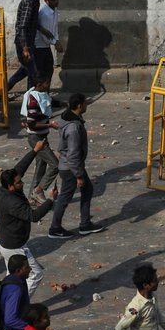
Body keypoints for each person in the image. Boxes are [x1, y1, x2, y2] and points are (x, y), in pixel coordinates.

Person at [48, 93, 105, 239]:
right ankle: (55, 228)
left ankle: (85, 224)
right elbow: (73, 155)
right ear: (79, 106)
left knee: (87, 190)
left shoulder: (67, 117)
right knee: (64, 198)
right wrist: (78, 175)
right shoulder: (73, 128)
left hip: (71, 165)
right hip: (71, 168)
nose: (86, 105)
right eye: (85, 103)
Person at [0, 168, 52, 289]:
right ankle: (19, 303)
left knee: (12, 277)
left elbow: (20, 167)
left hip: (7, 243)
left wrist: (35, 151)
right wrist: (50, 200)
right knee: (35, 274)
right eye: (19, 182)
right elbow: (34, 216)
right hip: (14, 248)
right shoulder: (14, 202)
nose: (22, 183)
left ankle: (6, 301)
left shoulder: (2, 190)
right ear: (10, 186)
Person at [15, 77, 60, 204]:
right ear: (40, 84)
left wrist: (66, 104)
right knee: (55, 165)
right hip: (36, 138)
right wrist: (49, 125)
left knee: (41, 166)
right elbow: (32, 125)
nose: (49, 85)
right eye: (47, 82)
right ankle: (39, 190)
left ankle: (32, 198)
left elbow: (50, 102)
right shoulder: (33, 100)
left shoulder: (42, 94)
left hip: (42, 137)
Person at [8, 0, 46, 95]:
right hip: (23, 44)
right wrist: (25, 48)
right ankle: (30, 99)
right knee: (32, 73)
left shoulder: (35, 0)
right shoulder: (28, 3)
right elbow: (23, 26)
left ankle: (3, 91)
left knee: (25, 70)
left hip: (29, 42)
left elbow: (32, 22)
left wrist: (43, 30)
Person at [33, 0, 62, 89]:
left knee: (48, 69)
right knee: (43, 71)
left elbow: (54, 28)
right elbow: (45, 35)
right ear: (46, 0)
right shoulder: (44, 14)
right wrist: (55, 42)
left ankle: (45, 92)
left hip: (45, 45)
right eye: (54, 0)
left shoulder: (54, 10)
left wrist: (56, 40)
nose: (56, 2)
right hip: (39, 46)